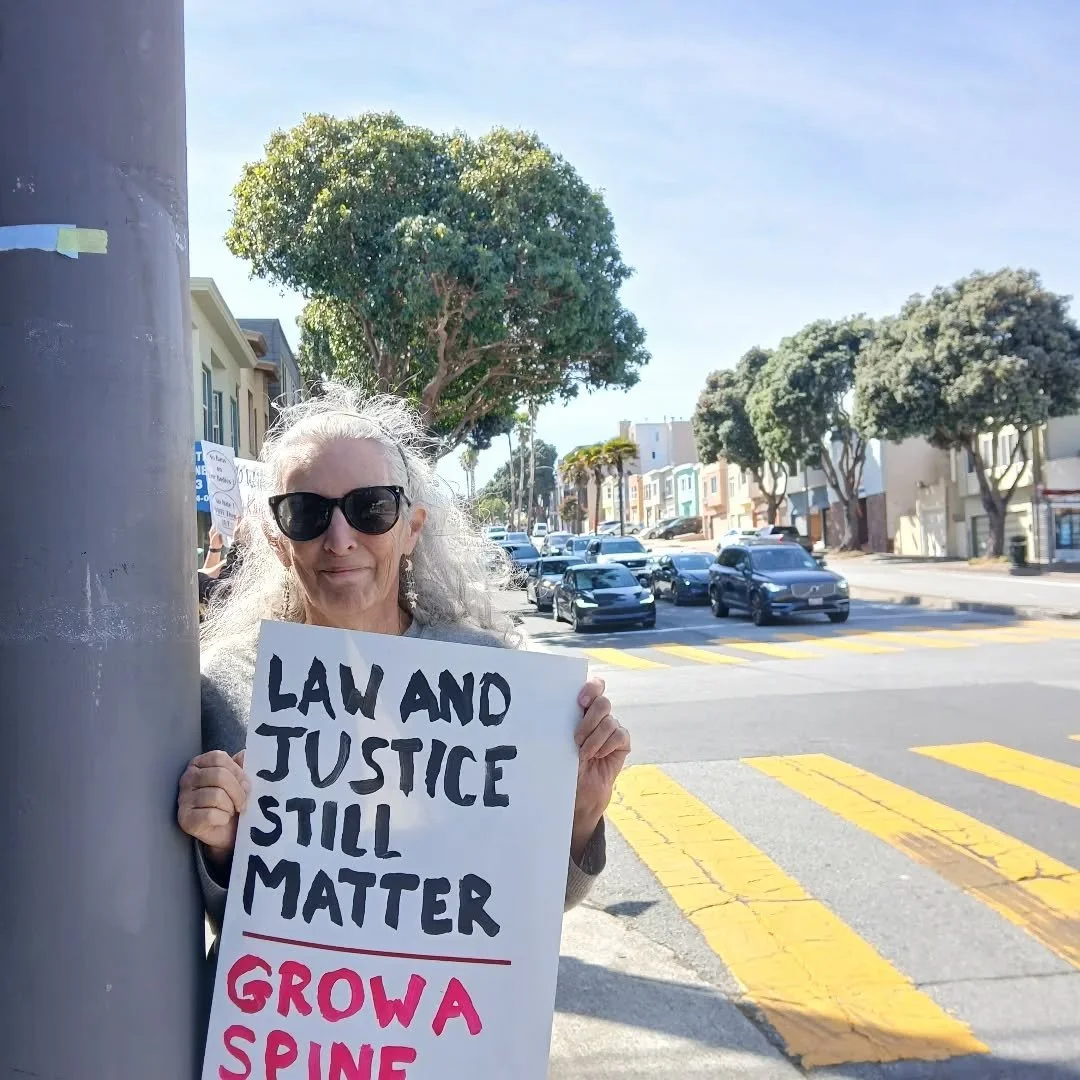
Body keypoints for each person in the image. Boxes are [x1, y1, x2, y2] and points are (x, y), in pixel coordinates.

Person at [178, 386, 630, 951]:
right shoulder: (224, 683)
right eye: (306, 513)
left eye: (371, 508)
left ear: (411, 526)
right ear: (276, 539)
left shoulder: (487, 679)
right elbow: (215, 915)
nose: (340, 540)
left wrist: (582, 811)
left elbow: (524, 902)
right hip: (286, 1027)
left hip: (438, 1024)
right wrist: (220, 845)